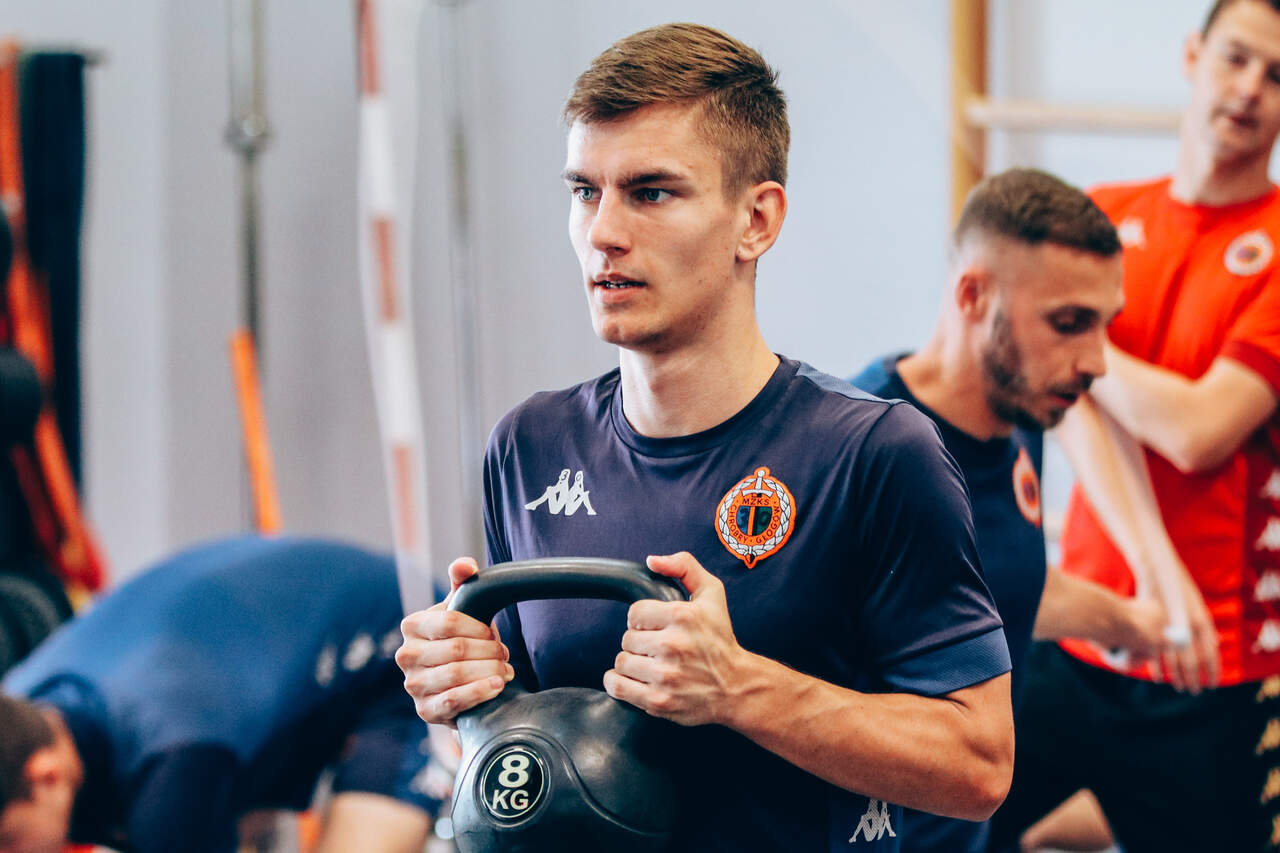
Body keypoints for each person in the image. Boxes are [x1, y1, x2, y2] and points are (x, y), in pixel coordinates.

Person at [398, 22, 1014, 852]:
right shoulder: (530, 445)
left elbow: (980, 766)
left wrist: (741, 687)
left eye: (651, 192)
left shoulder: (873, 453)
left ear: (756, 220)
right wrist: (463, 690)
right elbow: (527, 736)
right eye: (584, 191)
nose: (603, 232)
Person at [988, 1, 1280, 850]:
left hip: (1212, 665)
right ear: (1193, 55)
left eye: (1277, 75)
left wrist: (1071, 334)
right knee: (956, 824)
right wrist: (1155, 565)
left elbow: (1197, 430)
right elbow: (1063, 400)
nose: (1250, 88)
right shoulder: (1102, 218)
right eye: (1236, 58)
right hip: (1083, 638)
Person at [849, 167, 1168, 853]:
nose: (1097, 361)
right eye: (1068, 324)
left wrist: (1133, 622)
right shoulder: (861, 452)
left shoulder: (1021, 418)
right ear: (972, 295)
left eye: (1104, 326)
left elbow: (991, 582)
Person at [0, 535, 440, 853]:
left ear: (46, 776)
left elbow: (176, 800)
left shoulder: (172, 765)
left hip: (403, 641)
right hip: (240, 672)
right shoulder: (17, 705)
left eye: (9, 841)